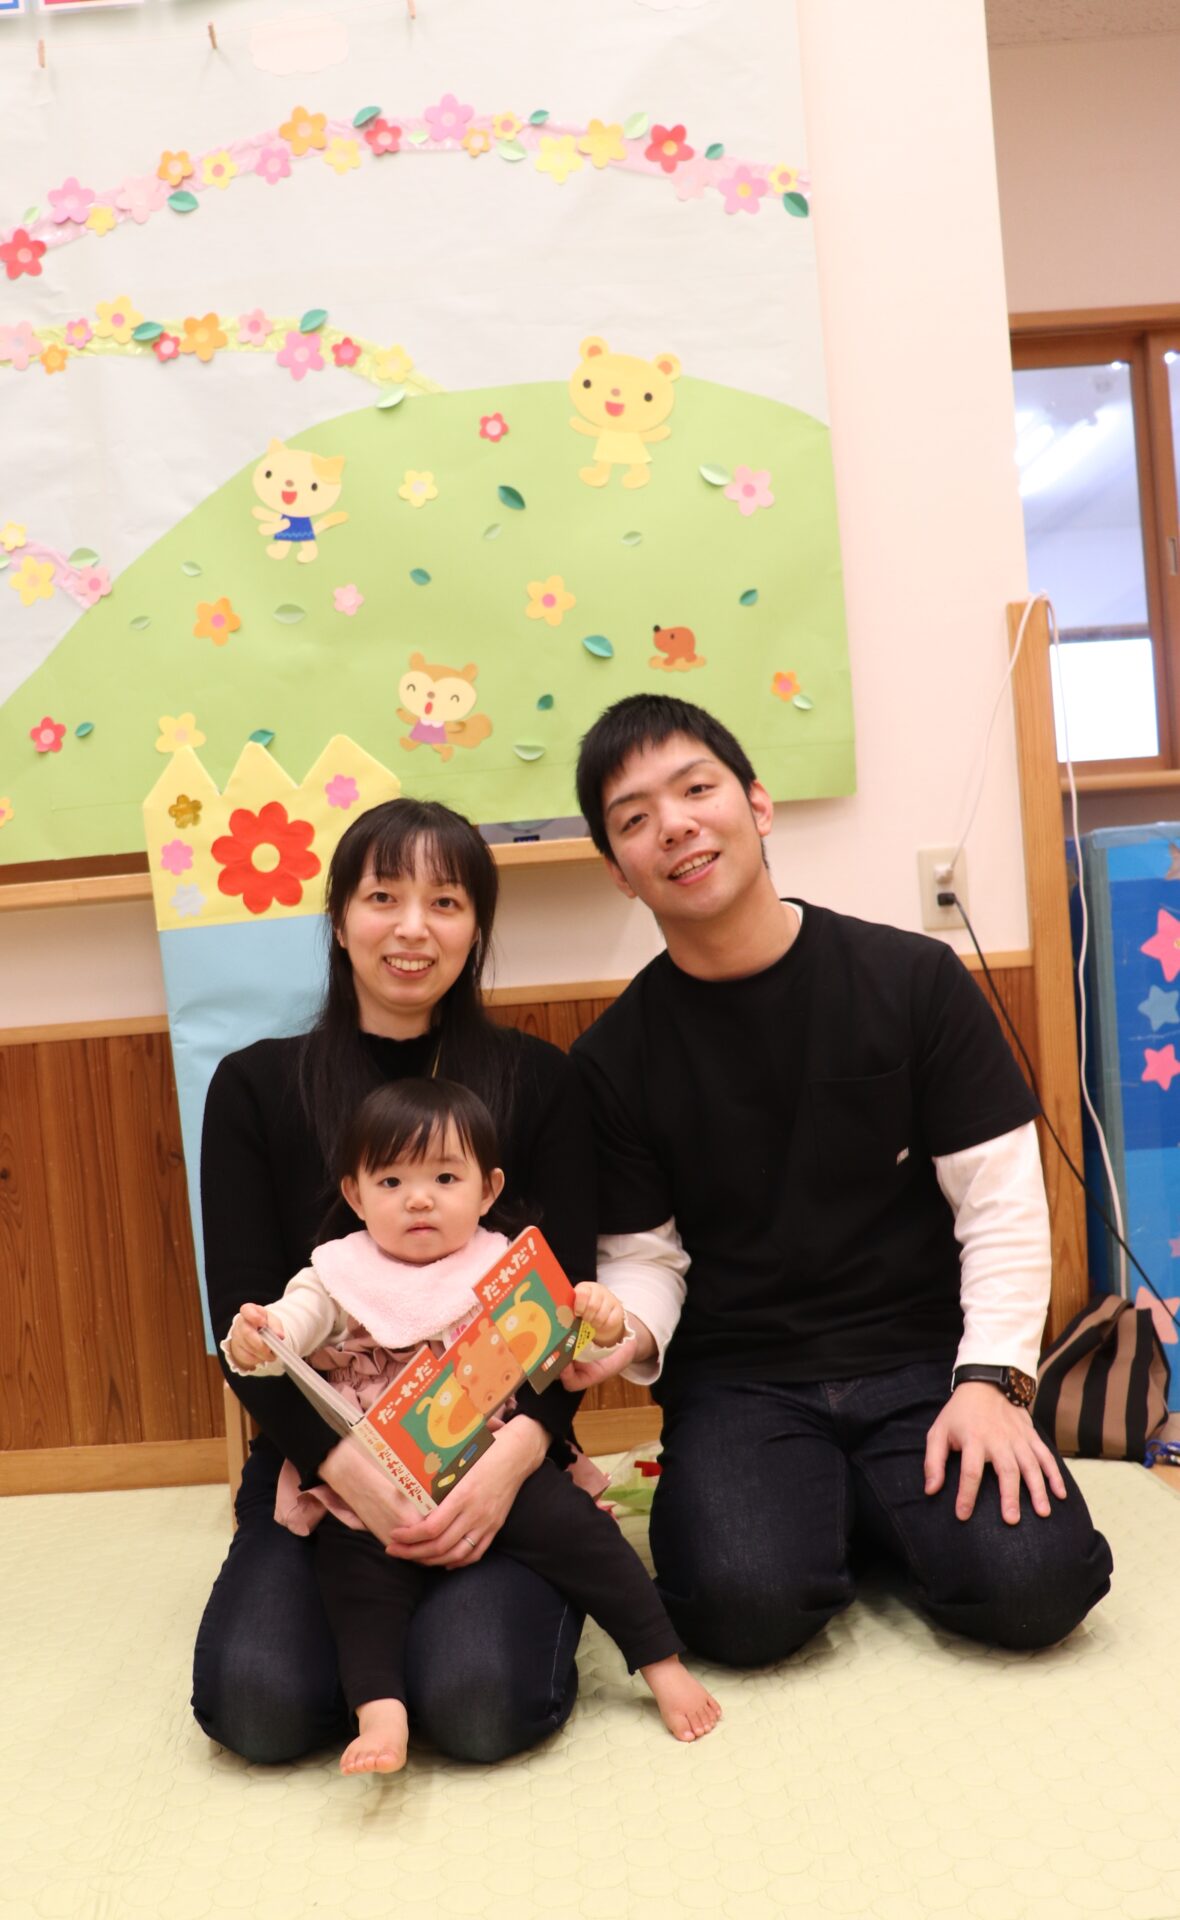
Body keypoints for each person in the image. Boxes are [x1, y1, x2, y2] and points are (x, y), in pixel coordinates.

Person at [566, 693, 1113, 1668]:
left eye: (696, 790)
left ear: (757, 804)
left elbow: (999, 1206)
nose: (675, 826)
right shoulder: (613, 1058)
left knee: (1037, 1587)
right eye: (636, 818)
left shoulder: (914, 981)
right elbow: (648, 1258)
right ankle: (842, 1507)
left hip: (924, 1364)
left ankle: (858, 1503)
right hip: (739, 1379)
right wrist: (627, 1334)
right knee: (740, 1612)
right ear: (618, 870)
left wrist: (992, 1381)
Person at [194, 797, 605, 1765]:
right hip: (320, 1462)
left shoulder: (540, 1082)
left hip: (498, 1455)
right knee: (259, 1709)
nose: (413, 927)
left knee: (478, 1706)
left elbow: (563, 1311)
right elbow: (246, 1332)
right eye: (383, 897)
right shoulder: (255, 1087)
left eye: (445, 902)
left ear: (476, 928)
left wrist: (511, 1466)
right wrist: (350, 1475)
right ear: (339, 920)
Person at [224, 1077, 720, 1771]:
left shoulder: (505, 1262)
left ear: (488, 1191)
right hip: (377, 1478)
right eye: (391, 1181)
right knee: (354, 1583)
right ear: (354, 1196)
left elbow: (570, 1348)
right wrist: (264, 1335)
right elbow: (295, 1320)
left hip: (492, 1464)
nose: (418, 1198)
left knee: (583, 1536)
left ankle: (661, 1663)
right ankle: (382, 1715)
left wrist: (603, 1320)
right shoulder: (338, 1273)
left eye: (445, 1178)